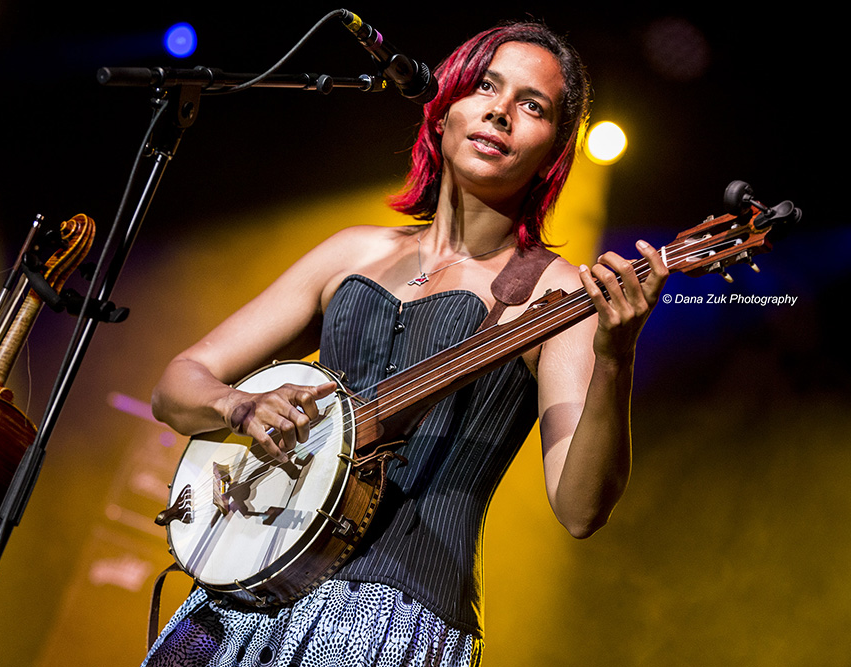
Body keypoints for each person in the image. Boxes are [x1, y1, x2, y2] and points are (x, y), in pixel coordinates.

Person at [144, 19, 668, 667]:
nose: (500, 112)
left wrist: (617, 358)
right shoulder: (353, 251)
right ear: (442, 105)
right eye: (484, 86)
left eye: (531, 106)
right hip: (243, 591)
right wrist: (240, 407)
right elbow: (177, 383)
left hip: (394, 617)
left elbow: (581, 507)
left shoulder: (556, 293)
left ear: (553, 151)